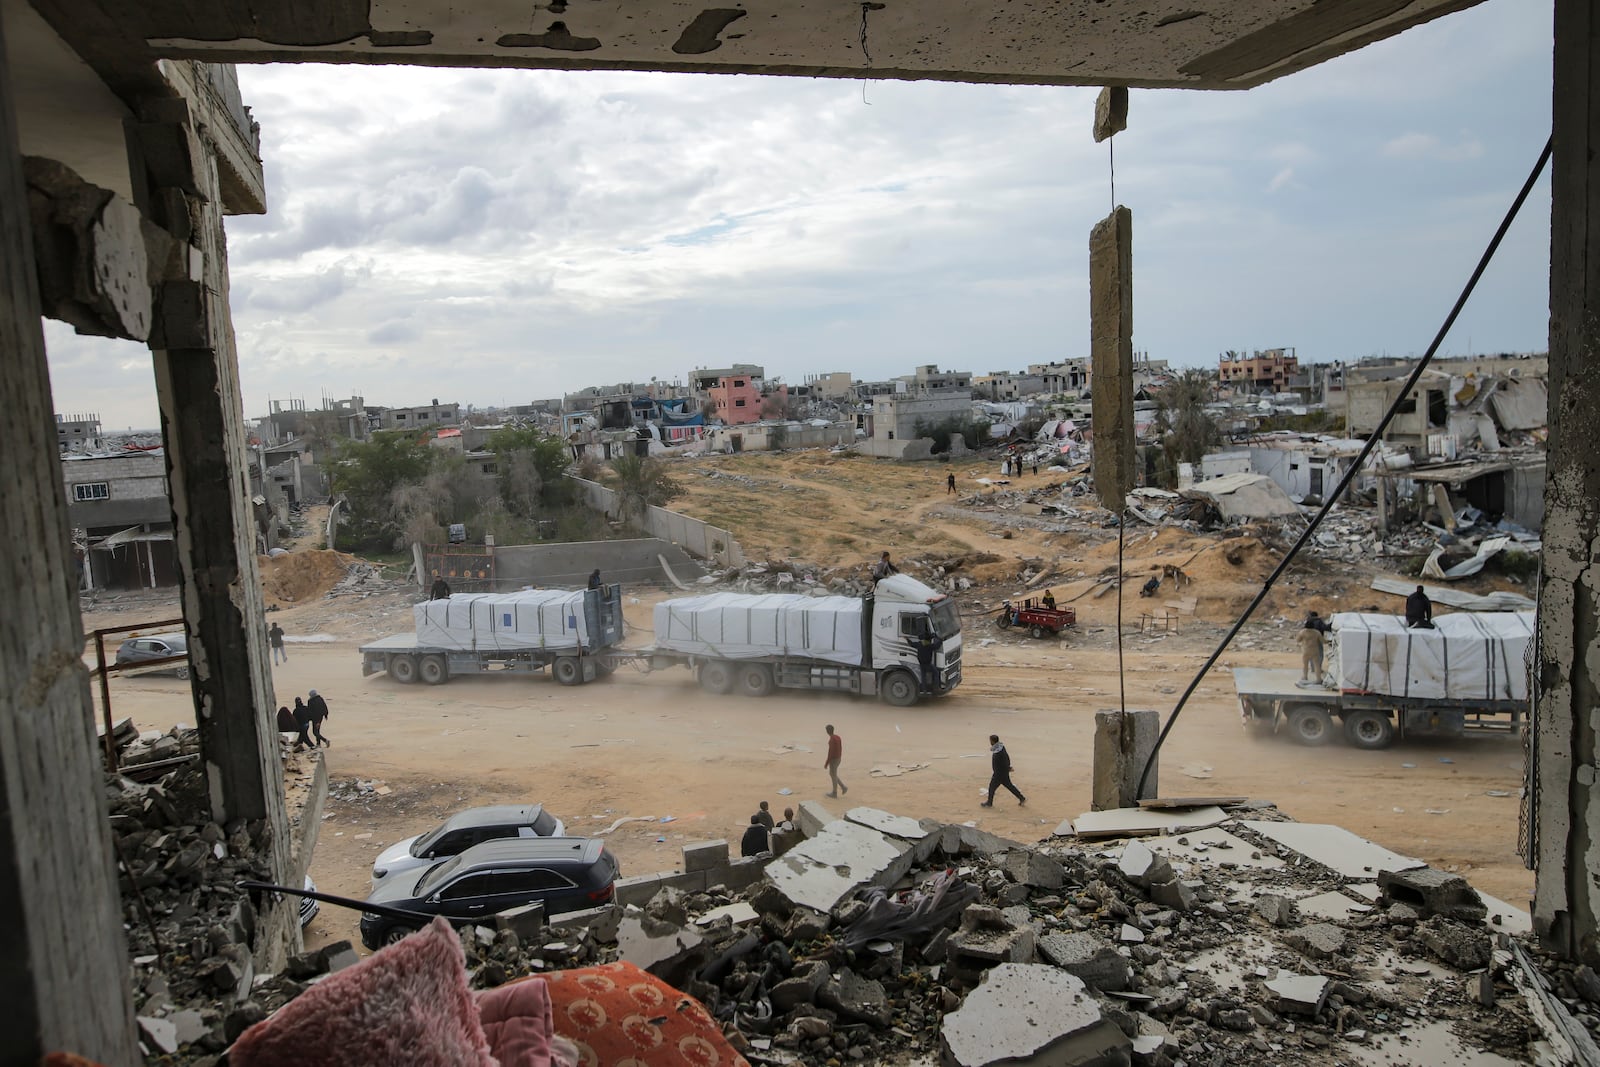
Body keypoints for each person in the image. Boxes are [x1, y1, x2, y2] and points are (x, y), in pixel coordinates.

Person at [982, 733, 1026, 807]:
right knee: (1010, 786)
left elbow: (1003, 762)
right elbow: (1006, 758)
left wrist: (1008, 768)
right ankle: (1021, 798)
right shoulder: (1001, 747)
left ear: (992, 741)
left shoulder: (998, 752)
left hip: (999, 774)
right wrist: (1008, 767)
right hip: (1002, 773)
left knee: (992, 787)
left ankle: (989, 803)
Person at [910, 625, 942, 695]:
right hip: (928, 664)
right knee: (936, 673)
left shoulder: (919, 644)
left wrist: (907, 639)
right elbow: (937, 645)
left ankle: (924, 690)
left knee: (923, 677)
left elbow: (911, 644)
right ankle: (936, 687)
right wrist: (940, 639)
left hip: (921, 664)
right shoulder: (929, 646)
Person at [824, 724, 848, 798]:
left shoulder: (831, 740)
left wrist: (826, 763)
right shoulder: (838, 737)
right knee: (833, 774)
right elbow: (840, 748)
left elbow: (830, 753)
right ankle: (843, 787)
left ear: (827, 731)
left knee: (833, 775)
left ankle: (835, 793)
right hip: (838, 758)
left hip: (834, 760)